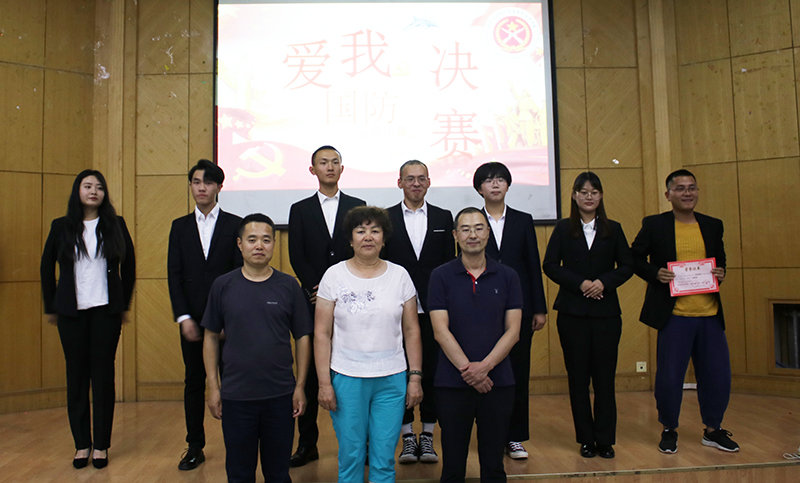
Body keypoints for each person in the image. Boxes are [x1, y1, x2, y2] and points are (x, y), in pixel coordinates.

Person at [630, 169, 738, 454]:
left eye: (692, 188)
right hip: (674, 315)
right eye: (680, 188)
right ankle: (669, 428)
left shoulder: (713, 225)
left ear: (697, 192)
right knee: (669, 377)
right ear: (668, 195)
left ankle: (713, 429)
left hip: (709, 313)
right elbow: (634, 258)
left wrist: (721, 272)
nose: (687, 193)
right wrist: (655, 273)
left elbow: (720, 259)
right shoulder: (655, 225)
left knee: (717, 375)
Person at [315, 206, 423, 483]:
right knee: (351, 456)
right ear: (350, 239)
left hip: (391, 378)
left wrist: (415, 377)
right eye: (360, 231)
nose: (368, 237)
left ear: (384, 239)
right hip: (347, 378)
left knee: (384, 458)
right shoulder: (333, 276)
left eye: (375, 231)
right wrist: (324, 383)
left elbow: (412, 331)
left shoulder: (400, 276)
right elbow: (322, 334)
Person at [202, 214, 313, 483]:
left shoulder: (289, 286)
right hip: (236, 397)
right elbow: (210, 337)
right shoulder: (223, 286)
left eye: (266, 240)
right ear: (240, 244)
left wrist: (300, 386)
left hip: (280, 395)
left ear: (274, 244)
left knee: (278, 473)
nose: (259, 246)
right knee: (239, 473)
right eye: (252, 240)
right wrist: (214, 387)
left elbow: (302, 337)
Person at [40, 170, 135, 469]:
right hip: (72, 313)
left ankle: (101, 445)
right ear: (77, 191)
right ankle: (82, 443)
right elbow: (46, 268)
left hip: (106, 312)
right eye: (87, 186)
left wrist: (123, 303)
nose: (94, 191)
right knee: (77, 378)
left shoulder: (115, 224)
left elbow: (129, 265)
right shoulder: (61, 226)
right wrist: (52, 306)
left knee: (103, 378)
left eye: (99, 187)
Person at [542, 172, 634, 459]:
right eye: (583, 192)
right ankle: (586, 439)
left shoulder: (613, 229)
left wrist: (604, 282)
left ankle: (605, 439)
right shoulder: (562, 228)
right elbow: (550, 264)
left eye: (594, 192)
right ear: (574, 195)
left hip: (606, 314)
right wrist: (579, 283)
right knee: (578, 379)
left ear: (601, 196)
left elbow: (627, 266)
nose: (589, 197)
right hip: (572, 313)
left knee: (605, 379)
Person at [429, 207, 522, 483]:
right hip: (452, 382)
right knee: (453, 465)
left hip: (498, 381)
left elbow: (513, 331)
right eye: (466, 229)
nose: (473, 235)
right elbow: (440, 331)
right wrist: (469, 371)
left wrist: (485, 368)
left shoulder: (508, 276)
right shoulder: (440, 276)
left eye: (479, 228)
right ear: (455, 235)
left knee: (493, 465)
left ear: (488, 233)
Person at [288, 145, 366, 467]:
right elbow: (296, 254)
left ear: (342, 169)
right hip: (312, 299)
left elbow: (362, 248)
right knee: (308, 375)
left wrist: (343, 287)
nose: (330, 167)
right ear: (313, 170)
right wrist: (317, 289)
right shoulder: (300, 209)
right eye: (323, 162)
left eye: (335, 162)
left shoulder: (357, 206)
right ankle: (307, 444)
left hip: (352, 300)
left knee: (356, 371)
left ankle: (362, 445)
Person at [168, 159, 242, 471]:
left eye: (208, 182)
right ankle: (194, 445)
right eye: (196, 182)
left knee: (234, 383)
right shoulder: (179, 226)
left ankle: (237, 444)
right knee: (194, 381)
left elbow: (240, 275)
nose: (202, 188)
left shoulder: (235, 224)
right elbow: (174, 274)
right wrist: (183, 316)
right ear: (191, 186)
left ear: (219, 187)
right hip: (193, 320)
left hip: (228, 323)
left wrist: (229, 320)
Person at [472, 161, 547, 459]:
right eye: (489, 180)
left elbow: (533, 265)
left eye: (500, 179)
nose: (495, 184)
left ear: (508, 185)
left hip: (519, 307)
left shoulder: (523, 219)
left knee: (518, 373)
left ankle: (515, 436)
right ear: (479, 188)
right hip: (482, 308)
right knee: (486, 371)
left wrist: (538, 307)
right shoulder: (472, 220)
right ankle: (490, 434)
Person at [383, 160, 454, 464]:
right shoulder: (385, 218)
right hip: (396, 310)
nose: (415, 183)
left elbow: (449, 265)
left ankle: (427, 434)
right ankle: (407, 437)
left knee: (433, 372)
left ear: (429, 182)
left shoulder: (443, 216)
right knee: (400, 374)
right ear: (399, 182)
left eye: (421, 178)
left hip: (434, 309)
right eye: (409, 178)